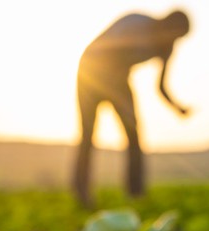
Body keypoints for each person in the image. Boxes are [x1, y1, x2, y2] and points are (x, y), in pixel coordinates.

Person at [74, 10, 191, 206]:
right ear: (167, 24)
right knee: (88, 134)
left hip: (119, 78)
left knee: (134, 134)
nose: (173, 40)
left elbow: (161, 86)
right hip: (90, 71)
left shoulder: (166, 47)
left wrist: (176, 107)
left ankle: (135, 193)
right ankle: (82, 193)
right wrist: (118, 94)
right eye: (174, 34)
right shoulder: (136, 24)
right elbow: (109, 55)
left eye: (178, 37)